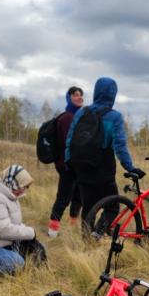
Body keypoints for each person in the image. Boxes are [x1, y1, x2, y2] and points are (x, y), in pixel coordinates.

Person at [64, 77, 145, 231]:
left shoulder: (82, 112)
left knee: (88, 207)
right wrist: (130, 167)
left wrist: (69, 162)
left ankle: (87, 241)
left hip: (81, 166)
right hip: (103, 168)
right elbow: (120, 146)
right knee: (112, 208)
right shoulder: (114, 117)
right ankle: (99, 233)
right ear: (113, 94)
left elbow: (70, 139)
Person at [47, 86, 85, 237]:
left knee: (78, 195)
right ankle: (52, 231)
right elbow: (68, 142)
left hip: (76, 164)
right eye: (76, 95)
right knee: (64, 197)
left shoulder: (77, 117)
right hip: (67, 165)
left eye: (81, 95)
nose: (80, 97)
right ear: (69, 98)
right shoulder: (67, 117)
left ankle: (72, 226)